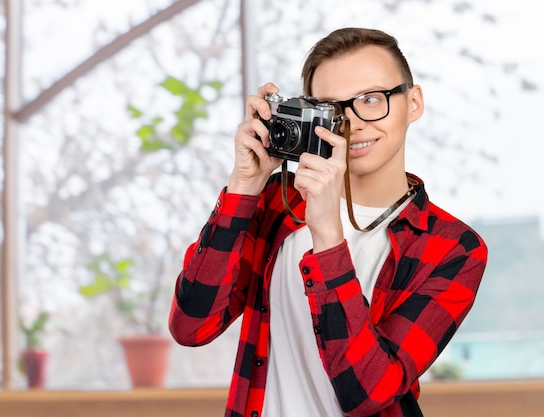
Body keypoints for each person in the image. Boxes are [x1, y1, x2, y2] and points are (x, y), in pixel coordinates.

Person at [168, 27, 488, 417]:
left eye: (372, 99)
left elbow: (369, 392)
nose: (352, 124)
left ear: (414, 102)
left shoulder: (453, 247)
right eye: (333, 109)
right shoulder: (277, 201)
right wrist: (244, 186)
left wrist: (327, 235)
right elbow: (191, 327)